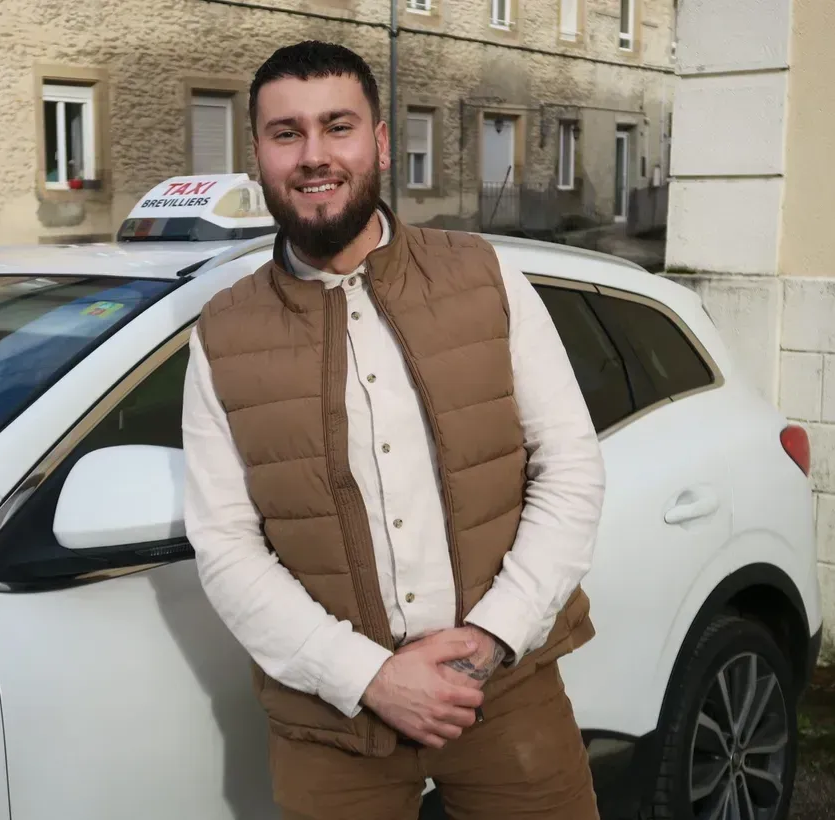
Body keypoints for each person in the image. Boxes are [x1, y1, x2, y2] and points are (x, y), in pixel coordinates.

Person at [181, 39, 607, 820]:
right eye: (287, 133)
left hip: (504, 690)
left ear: (379, 142)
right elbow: (226, 543)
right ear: (258, 156)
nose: (314, 155)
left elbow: (569, 464)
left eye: (337, 126)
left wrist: (493, 636)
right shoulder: (222, 333)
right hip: (329, 721)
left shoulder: (485, 278)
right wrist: (370, 677)